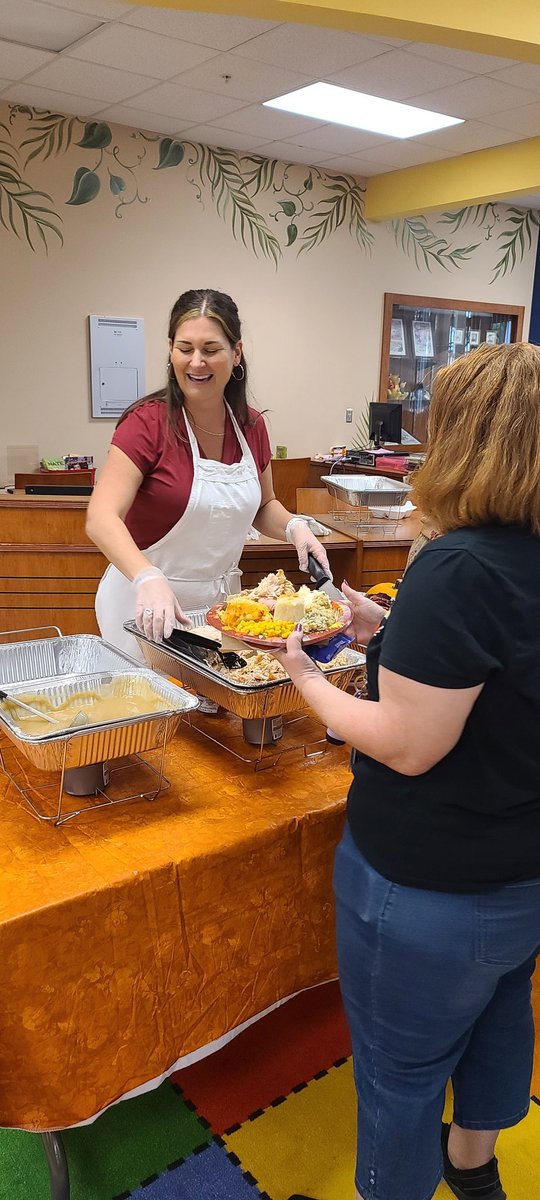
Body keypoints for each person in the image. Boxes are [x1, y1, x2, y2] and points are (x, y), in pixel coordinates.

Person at [278, 342, 540, 1200]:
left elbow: (407, 742)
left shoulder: (458, 566)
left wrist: (309, 682)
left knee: (399, 1076)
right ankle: (474, 1169)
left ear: (468, 442)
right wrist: (386, 631)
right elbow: (495, 680)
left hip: (428, 887)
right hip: (520, 876)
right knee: (500, 1022)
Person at [86, 288, 329, 657]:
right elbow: (101, 517)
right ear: (170, 350)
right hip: (143, 607)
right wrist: (147, 576)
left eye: (210, 350)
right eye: (185, 349)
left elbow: (263, 506)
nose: (196, 362)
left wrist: (295, 527)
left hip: (218, 611)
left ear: (236, 353)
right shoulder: (147, 424)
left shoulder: (251, 426)